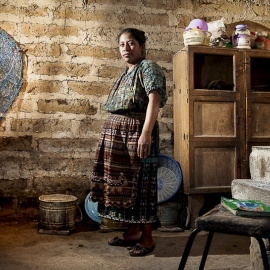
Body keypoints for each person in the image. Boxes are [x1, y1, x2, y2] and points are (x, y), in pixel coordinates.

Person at [89, 28, 167, 256]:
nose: (126, 48)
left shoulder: (148, 67)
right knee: (126, 185)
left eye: (131, 43)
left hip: (137, 133)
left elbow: (155, 99)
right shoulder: (126, 72)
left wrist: (146, 133)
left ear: (142, 47)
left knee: (142, 184)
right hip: (118, 136)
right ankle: (132, 232)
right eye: (122, 44)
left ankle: (148, 238)